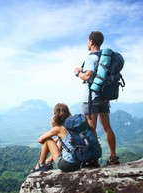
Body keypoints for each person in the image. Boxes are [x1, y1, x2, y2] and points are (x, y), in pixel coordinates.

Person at [74, 31, 120, 165]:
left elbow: (87, 76)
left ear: (91, 41)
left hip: (92, 97)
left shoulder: (91, 58)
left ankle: (92, 159)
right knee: (107, 127)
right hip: (104, 97)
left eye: (88, 40)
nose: (87, 43)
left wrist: (77, 72)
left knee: (91, 129)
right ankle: (113, 157)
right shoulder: (106, 58)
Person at [30, 103, 81, 173]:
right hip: (78, 163)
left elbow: (40, 140)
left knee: (48, 139)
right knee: (59, 140)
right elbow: (61, 144)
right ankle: (48, 161)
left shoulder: (58, 129)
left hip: (67, 165)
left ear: (56, 115)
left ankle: (41, 164)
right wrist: (57, 139)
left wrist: (53, 125)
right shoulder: (73, 126)